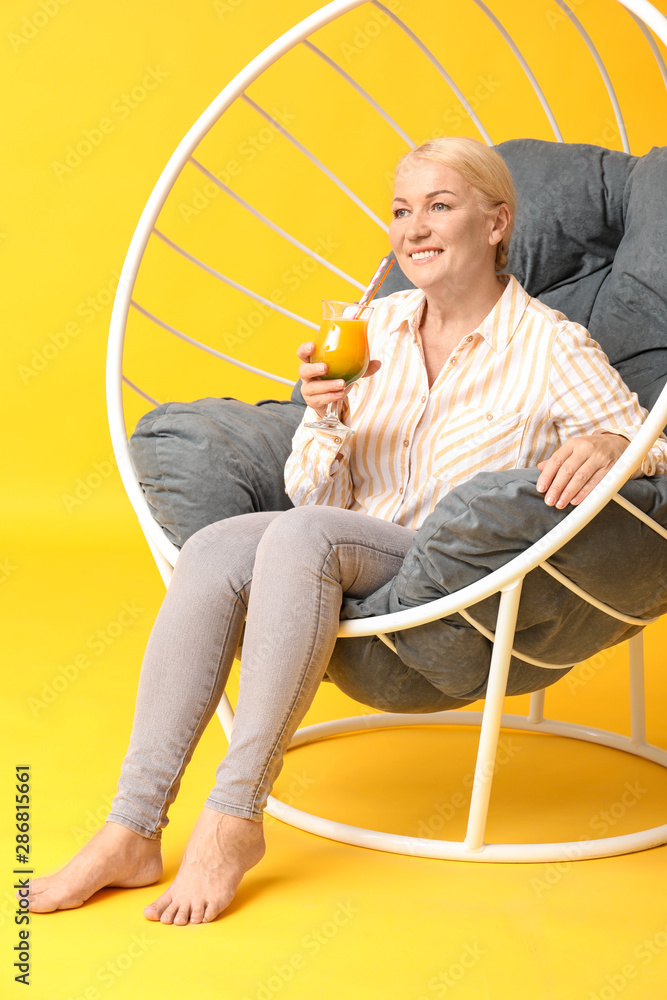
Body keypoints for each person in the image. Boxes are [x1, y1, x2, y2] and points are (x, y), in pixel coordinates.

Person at [25, 137, 667, 925]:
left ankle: (233, 817)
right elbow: (311, 493)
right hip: (348, 548)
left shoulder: (548, 345)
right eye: (401, 211)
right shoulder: (377, 326)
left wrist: (609, 445)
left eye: (439, 206)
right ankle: (131, 825)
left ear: (497, 223)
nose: (413, 229)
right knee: (218, 547)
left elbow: (651, 443)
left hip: (455, 576)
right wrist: (324, 418)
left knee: (302, 538)